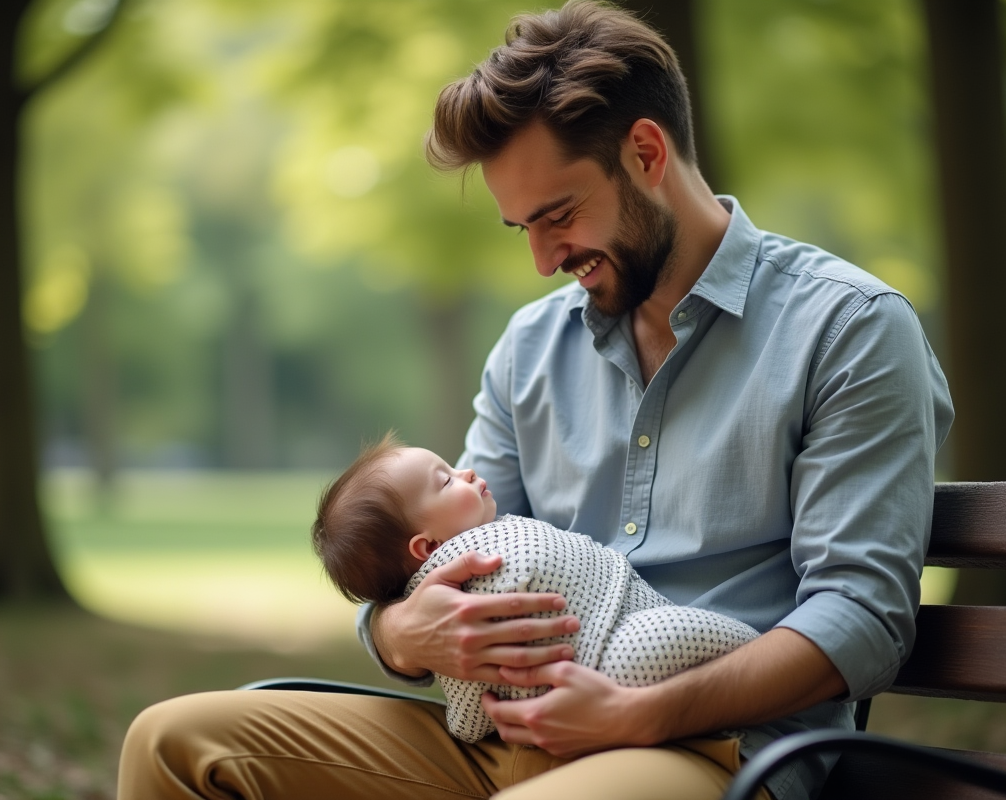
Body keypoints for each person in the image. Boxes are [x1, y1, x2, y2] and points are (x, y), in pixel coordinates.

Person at [117, 3, 954, 798]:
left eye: (559, 215)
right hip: (498, 741)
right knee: (172, 743)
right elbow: (438, 556)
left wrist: (638, 713)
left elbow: (863, 620)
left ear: (646, 153)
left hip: (710, 750)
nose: (545, 260)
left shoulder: (847, 330)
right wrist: (398, 634)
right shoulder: (530, 348)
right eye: (523, 228)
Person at [312, 435, 760, 743]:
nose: (467, 471)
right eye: (446, 479)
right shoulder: (454, 593)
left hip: (637, 693)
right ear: (428, 547)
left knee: (675, 637)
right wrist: (399, 631)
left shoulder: (479, 523)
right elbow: (470, 702)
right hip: (591, 672)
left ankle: (760, 663)